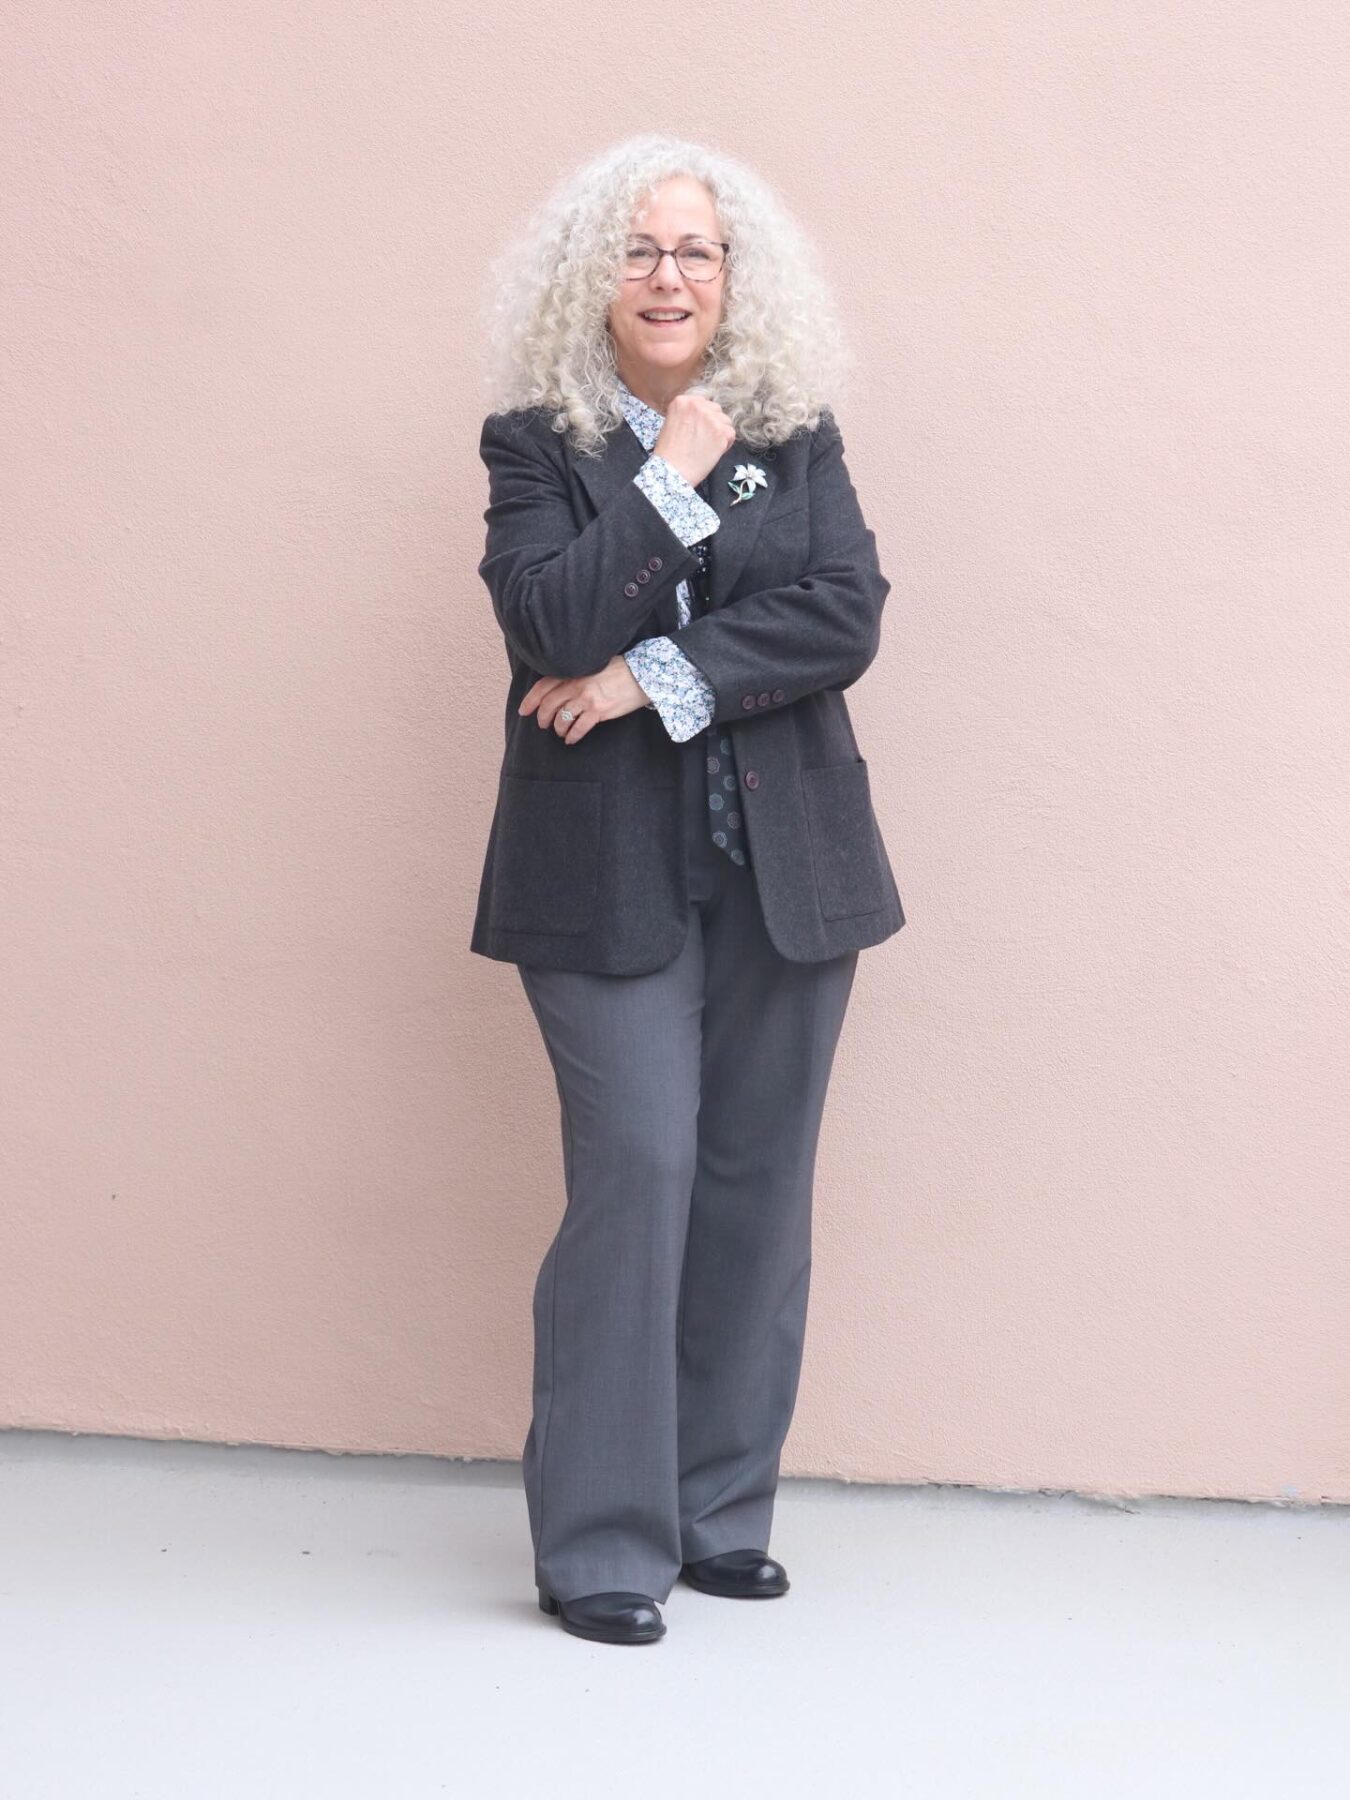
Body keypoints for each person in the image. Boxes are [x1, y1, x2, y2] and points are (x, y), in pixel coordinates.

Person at [471, 133, 905, 1645]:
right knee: (641, 1174)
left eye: (697, 252)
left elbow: (843, 613)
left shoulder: (799, 431)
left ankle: (720, 1515)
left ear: (735, 277)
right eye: (640, 250)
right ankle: (602, 1539)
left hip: (791, 871)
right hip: (602, 877)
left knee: (754, 1191)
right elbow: (548, 620)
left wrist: (644, 679)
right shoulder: (534, 443)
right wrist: (667, 479)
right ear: (592, 277)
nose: (669, 277)